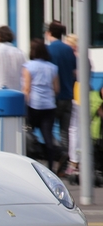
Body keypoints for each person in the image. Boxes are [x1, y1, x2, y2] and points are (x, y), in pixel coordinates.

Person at [22, 38, 60, 172]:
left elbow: (26, 89)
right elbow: (56, 89)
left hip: (33, 106)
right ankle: (51, 168)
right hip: (49, 107)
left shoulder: (28, 66)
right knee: (48, 138)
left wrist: (23, 106)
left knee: (27, 135)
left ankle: (30, 165)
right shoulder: (52, 67)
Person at [45, 21, 76, 158]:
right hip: (68, 96)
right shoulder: (69, 49)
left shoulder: (48, 50)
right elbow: (74, 72)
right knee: (65, 132)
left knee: (47, 129)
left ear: (49, 33)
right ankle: (65, 156)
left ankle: (56, 153)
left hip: (53, 98)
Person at [64, 33, 89, 176]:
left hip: (76, 95)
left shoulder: (76, 58)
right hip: (82, 94)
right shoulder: (84, 57)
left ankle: (74, 162)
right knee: (80, 129)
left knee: (74, 130)